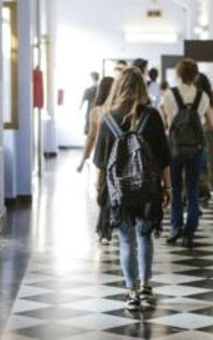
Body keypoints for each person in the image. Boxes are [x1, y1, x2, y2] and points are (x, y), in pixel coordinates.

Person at [93, 67, 172, 310]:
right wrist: (167, 187)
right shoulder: (153, 116)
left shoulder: (107, 118)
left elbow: (101, 162)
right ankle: (147, 288)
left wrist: (100, 191)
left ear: (118, 88)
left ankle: (131, 292)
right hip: (148, 189)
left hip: (120, 191)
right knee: (145, 237)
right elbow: (163, 158)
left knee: (126, 240)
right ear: (141, 88)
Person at [161, 58, 213, 248]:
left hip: (174, 147)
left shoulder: (169, 95)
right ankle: (189, 233)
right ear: (196, 75)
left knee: (175, 189)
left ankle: (176, 228)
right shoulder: (203, 96)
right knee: (192, 191)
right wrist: (197, 129)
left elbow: (166, 122)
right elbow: (212, 123)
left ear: (178, 74)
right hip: (196, 148)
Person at [77, 76, 114, 172]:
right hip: (117, 154)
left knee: (100, 185)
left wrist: (82, 161)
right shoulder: (120, 110)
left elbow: (91, 137)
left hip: (101, 155)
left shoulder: (96, 111)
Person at [194, 72, 213, 204]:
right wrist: (201, 128)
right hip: (200, 138)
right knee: (202, 166)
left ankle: (186, 197)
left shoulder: (183, 96)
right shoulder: (205, 99)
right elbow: (212, 123)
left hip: (181, 140)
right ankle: (203, 194)